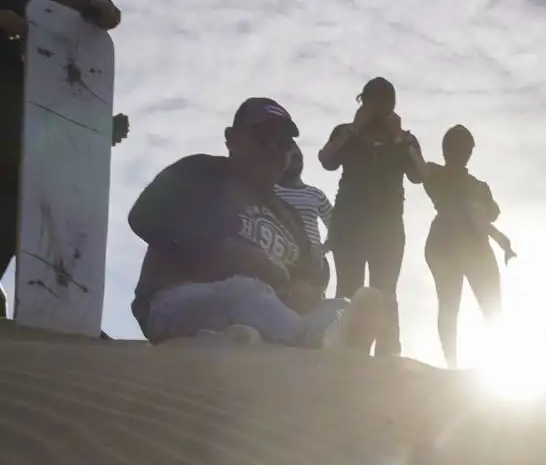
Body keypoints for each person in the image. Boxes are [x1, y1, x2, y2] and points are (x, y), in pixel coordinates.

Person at [127, 97, 378, 348]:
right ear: (232, 139)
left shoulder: (289, 215)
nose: (272, 149)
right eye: (261, 137)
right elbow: (143, 215)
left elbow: (310, 280)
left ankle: (256, 344)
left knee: (340, 308)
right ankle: (310, 347)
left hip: (274, 314)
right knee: (246, 293)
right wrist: (230, 254)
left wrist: (308, 291)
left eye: (282, 143)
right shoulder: (200, 171)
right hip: (172, 300)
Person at [0, 0, 128, 319]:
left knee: (18, 228)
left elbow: (63, 115)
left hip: (23, 165)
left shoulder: (76, 53)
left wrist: (98, 129)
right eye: (76, 3)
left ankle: (51, 315)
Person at [318, 77, 424, 356]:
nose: (378, 109)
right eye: (372, 101)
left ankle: (389, 356)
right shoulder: (346, 132)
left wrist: (398, 138)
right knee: (347, 290)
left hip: (387, 227)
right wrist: (354, 128)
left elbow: (419, 175)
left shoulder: (405, 139)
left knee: (386, 292)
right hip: (349, 224)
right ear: (363, 102)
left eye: (384, 102)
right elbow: (325, 159)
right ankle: (343, 352)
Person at [421, 125, 514, 369]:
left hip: (471, 247)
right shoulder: (434, 174)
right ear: (446, 150)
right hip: (447, 246)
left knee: (489, 306)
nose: (461, 153)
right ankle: (453, 363)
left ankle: (497, 362)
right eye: (457, 148)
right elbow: (418, 169)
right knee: (451, 305)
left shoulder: (477, 186)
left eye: (464, 148)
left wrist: (497, 235)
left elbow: (489, 214)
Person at [274, 140, 334, 289]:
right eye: (291, 157)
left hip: (312, 263)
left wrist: (323, 248)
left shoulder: (315, 194)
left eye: (298, 157)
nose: (295, 161)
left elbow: (337, 225)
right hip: (278, 260)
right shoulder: (269, 191)